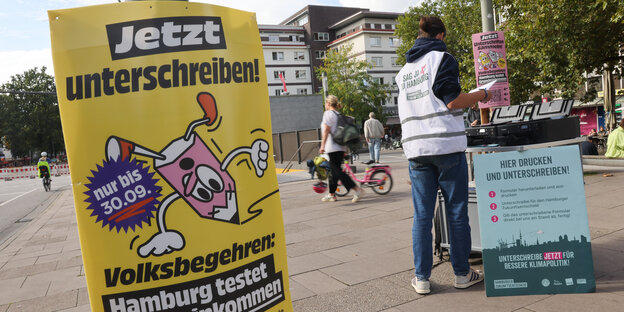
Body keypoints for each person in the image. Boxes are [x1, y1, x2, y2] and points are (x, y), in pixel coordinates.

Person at [396, 16, 493, 294]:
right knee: (457, 212)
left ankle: (422, 278)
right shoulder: (442, 58)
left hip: (416, 151)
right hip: (446, 148)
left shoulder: (403, 73)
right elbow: (452, 100)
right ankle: (462, 274)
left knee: (422, 216)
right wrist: (481, 94)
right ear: (441, 36)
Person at [319, 95, 364, 203]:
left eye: (326, 103)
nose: (325, 105)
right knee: (334, 172)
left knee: (337, 171)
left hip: (332, 147)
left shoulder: (328, 114)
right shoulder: (339, 115)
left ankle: (357, 189)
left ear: (328, 104)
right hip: (341, 146)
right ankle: (332, 194)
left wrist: (322, 146)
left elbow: (326, 131)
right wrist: (345, 150)